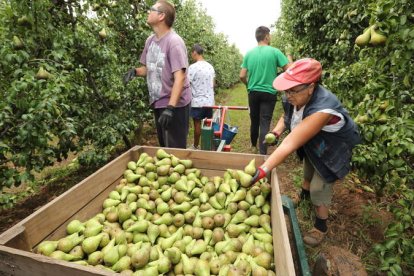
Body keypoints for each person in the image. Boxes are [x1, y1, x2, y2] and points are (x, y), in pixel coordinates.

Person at [250, 58, 361, 247]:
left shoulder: (323, 108)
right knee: (308, 168)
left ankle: (320, 226)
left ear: (311, 87)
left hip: (333, 148)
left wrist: (263, 170)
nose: (288, 95)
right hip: (316, 142)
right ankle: (303, 196)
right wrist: (276, 131)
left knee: (320, 186)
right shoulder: (296, 97)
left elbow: (290, 143)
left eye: (293, 90)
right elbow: (287, 118)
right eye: (286, 89)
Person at [123, 0, 191, 148]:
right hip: (158, 102)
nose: (148, 12)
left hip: (175, 105)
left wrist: (170, 108)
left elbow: (180, 77)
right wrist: (135, 72)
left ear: (161, 16)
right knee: (164, 148)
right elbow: (150, 68)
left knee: (175, 151)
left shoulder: (174, 42)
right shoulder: (150, 41)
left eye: (151, 9)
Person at [240, 26, 290, 155]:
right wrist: (289, 57)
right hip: (269, 92)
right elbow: (289, 70)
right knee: (265, 121)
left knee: (254, 120)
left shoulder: (249, 53)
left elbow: (241, 75)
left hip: (253, 92)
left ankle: (253, 146)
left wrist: (248, 84)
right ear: (266, 36)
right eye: (270, 35)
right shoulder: (275, 52)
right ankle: (263, 152)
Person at [187, 44, 216, 150]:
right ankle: (208, 146)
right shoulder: (210, 67)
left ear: (195, 52)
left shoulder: (192, 68)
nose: (191, 55)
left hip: (197, 101)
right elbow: (213, 83)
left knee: (197, 124)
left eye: (191, 53)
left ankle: (195, 146)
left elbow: (187, 84)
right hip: (209, 101)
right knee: (208, 124)